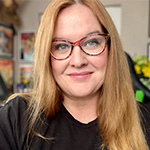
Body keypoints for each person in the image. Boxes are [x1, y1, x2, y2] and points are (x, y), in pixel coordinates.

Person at [0, 0, 150, 149]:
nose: (78, 61)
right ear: (46, 56)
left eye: (92, 42)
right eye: (61, 46)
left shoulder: (144, 121)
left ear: (111, 48)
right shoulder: (17, 117)